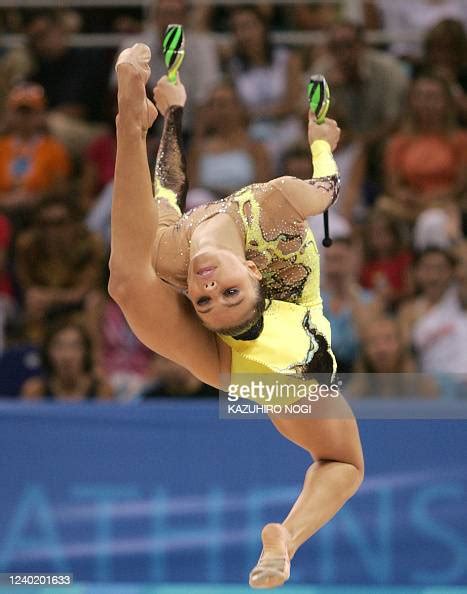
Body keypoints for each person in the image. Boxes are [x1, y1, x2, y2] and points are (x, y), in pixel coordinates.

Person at [109, 44, 363, 589]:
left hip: (267, 365)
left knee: (131, 279)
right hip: (283, 362)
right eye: (225, 291)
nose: (205, 289)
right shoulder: (277, 200)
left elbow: (167, 189)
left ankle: (128, 125)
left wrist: (171, 117)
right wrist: (322, 147)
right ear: (252, 268)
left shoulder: (174, 252)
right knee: (345, 465)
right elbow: (328, 190)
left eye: (205, 300)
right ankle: (288, 538)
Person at [110, 0, 221, 133]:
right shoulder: (131, 47)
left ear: (185, 18)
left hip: (191, 130)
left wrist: (196, 146)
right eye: (165, 14)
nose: (169, 21)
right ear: (154, 18)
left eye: (175, 15)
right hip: (143, 131)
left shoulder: (204, 47)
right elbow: (119, 97)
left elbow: (206, 100)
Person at [382, 74, 467, 222]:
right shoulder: (399, 142)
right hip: (408, 206)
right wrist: (403, 195)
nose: (426, 103)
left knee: (433, 220)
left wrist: (432, 199)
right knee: (383, 207)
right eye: (420, 96)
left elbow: (460, 185)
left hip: (447, 204)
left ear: (447, 102)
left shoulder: (460, 140)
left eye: (433, 97)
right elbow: (393, 184)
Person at [226, 5, 302, 166]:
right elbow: (238, 112)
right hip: (254, 134)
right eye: (237, 29)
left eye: (248, 26)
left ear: (263, 27)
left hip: (288, 128)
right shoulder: (234, 67)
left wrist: (256, 112)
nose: (243, 34)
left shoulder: (288, 59)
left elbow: (293, 103)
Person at [188, 82, 271, 199]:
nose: (217, 110)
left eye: (222, 104)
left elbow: (264, 189)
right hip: (208, 210)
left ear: (238, 108)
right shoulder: (198, 149)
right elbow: (191, 189)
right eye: (212, 105)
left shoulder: (255, 148)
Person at [0, 83, 71, 216]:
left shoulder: (55, 149)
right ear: (10, 114)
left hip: (39, 213)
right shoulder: (1, 147)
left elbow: (60, 191)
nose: (24, 117)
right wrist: (5, 201)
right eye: (20, 112)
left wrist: (37, 198)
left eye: (30, 112)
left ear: (40, 114)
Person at [21, 321, 113, 401]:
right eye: (59, 347)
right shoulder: (36, 392)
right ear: (47, 352)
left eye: (74, 347)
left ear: (85, 352)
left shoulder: (101, 391)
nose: (67, 356)